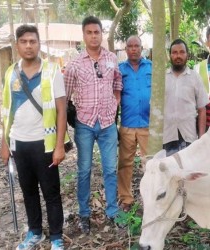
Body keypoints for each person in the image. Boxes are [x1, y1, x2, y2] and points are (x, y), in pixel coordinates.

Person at [0, 24, 68, 250]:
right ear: (17, 45)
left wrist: (60, 146)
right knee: (28, 191)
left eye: (33, 41)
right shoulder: (11, 73)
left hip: (45, 143)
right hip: (19, 143)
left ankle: (56, 236)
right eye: (24, 41)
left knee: (51, 193)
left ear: (39, 44)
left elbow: (61, 109)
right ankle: (35, 232)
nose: (29, 46)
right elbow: (6, 110)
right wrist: (4, 142)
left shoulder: (52, 71)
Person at [64, 16, 122, 233]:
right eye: (89, 32)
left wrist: (113, 106)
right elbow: (65, 95)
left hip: (107, 125)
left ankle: (113, 212)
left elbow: (117, 84)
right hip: (85, 125)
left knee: (109, 169)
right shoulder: (75, 64)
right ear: (84, 35)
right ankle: (84, 214)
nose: (93, 36)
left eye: (97, 32)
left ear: (101, 34)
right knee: (84, 170)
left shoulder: (112, 59)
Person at [117, 35, 152, 212]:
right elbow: (115, 96)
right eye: (130, 46)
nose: (133, 49)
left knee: (150, 163)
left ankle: (152, 197)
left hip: (148, 124)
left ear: (141, 48)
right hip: (128, 124)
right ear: (126, 50)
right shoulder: (120, 69)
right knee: (125, 163)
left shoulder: (151, 68)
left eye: (136, 46)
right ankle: (126, 198)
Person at [163, 39, 209, 156]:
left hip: (189, 137)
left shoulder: (195, 77)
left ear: (187, 55)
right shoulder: (162, 78)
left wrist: (201, 138)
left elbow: (202, 109)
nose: (178, 56)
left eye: (182, 52)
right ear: (170, 55)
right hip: (167, 137)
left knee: (187, 173)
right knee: (169, 172)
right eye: (174, 52)